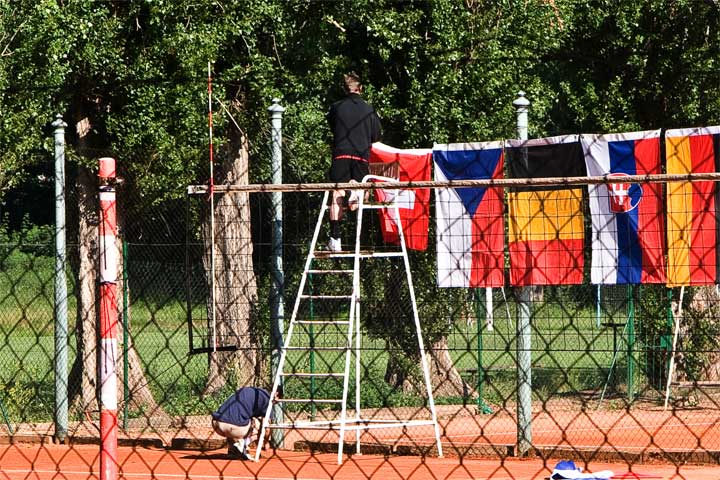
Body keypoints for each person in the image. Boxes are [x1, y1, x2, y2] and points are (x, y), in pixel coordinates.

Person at [326, 72, 382, 251]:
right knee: (362, 194)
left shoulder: (336, 107)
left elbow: (333, 127)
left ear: (344, 89)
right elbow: (376, 136)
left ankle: (335, 238)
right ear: (361, 89)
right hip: (361, 155)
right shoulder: (369, 110)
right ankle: (354, 191)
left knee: (336, 193)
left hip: (341, 154)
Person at [211, 386, 276, 460]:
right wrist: (266, 442)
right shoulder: (267, 398)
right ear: (276, 394)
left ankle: (233, 449)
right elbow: (266, 426)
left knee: (237, 416)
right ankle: (242, 444)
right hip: (232, 426)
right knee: (260, 423)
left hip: (216, 423)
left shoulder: (249, 390)